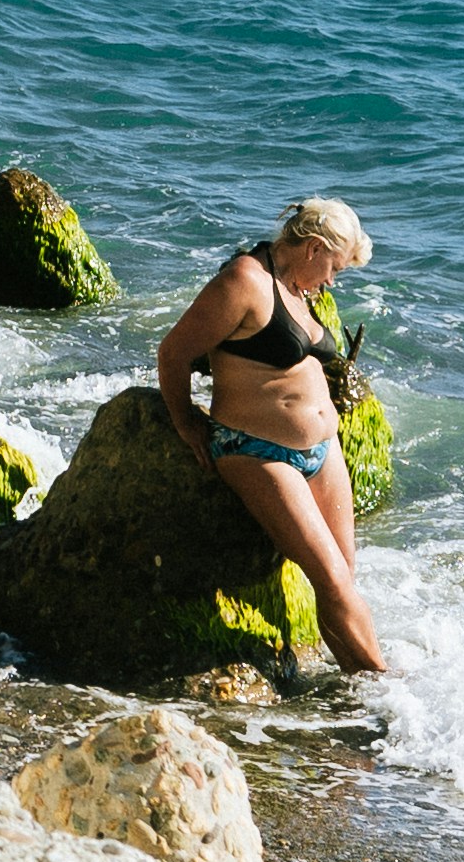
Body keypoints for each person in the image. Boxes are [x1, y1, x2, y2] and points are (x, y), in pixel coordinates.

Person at [155, 194, 387, 678]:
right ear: (314, 248)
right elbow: (174, 352)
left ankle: (355, 686)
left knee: (342, 579)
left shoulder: (302, 289)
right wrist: (185, 421)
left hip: (322, 452)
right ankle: (389, 694)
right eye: (334, 269)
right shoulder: (244, 281)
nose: (332, 281)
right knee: (333, 582)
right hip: (257, 450)